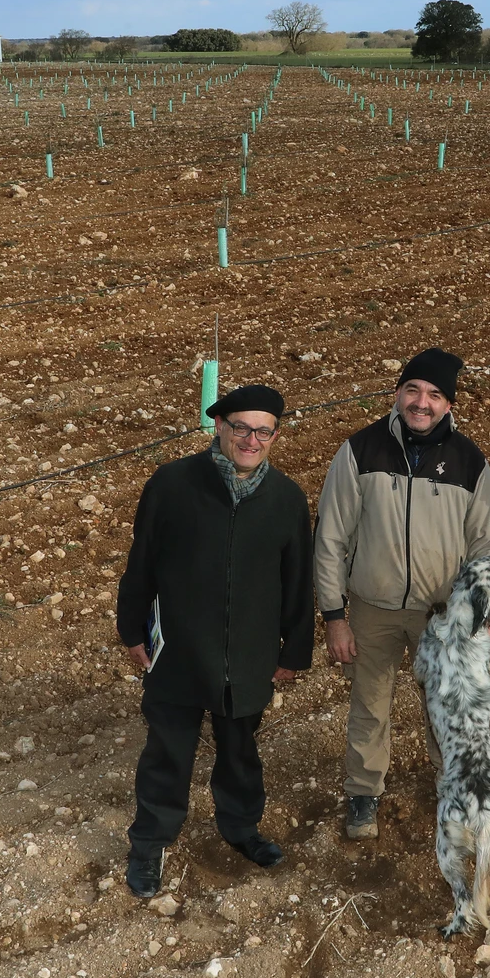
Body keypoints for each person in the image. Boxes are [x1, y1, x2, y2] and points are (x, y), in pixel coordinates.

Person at [116, 384, 314, 897]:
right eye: (241, 427)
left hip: (247, 654)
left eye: (263, 430)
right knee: (168, 752)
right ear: (219, 427)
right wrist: (131, 628)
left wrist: (294, 648)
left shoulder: (287, 498)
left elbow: (297, 581)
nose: (252, 439)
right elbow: (142, 562)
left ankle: (241, 829)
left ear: (275, 435)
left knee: (240, 751)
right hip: (179, 651)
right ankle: (149, 845)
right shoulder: (173, 484)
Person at [314, 347, 490, 840]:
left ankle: (453, 789)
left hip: (440, 615)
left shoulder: (468, 460)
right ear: (397, 393)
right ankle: (363, 795)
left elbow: (488, 542)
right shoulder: (360, 450)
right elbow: (331, 537)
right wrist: (334, 616)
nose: (421, 401)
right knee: (370, 703)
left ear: (448, 404)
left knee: (447, 704)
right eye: (413, 390)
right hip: (371, 609)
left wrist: (486, 608)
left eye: (435, 394)